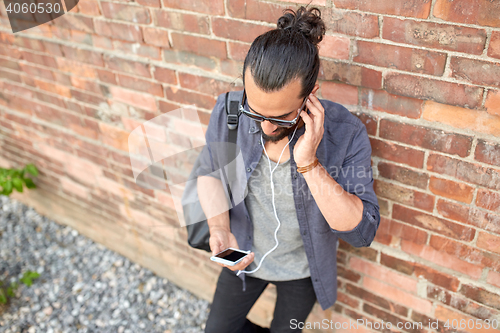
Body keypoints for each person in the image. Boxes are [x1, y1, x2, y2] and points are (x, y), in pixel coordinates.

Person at [194, 6, 380, 333]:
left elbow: (360, 232)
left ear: (310, 96)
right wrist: (219, 228)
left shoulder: (347, 134)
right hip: (244, 258)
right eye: (256, 112)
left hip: (303, 273)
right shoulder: (228, 110)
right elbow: (210, 173)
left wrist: (308, 162)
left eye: (280, 117)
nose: (266, 127)